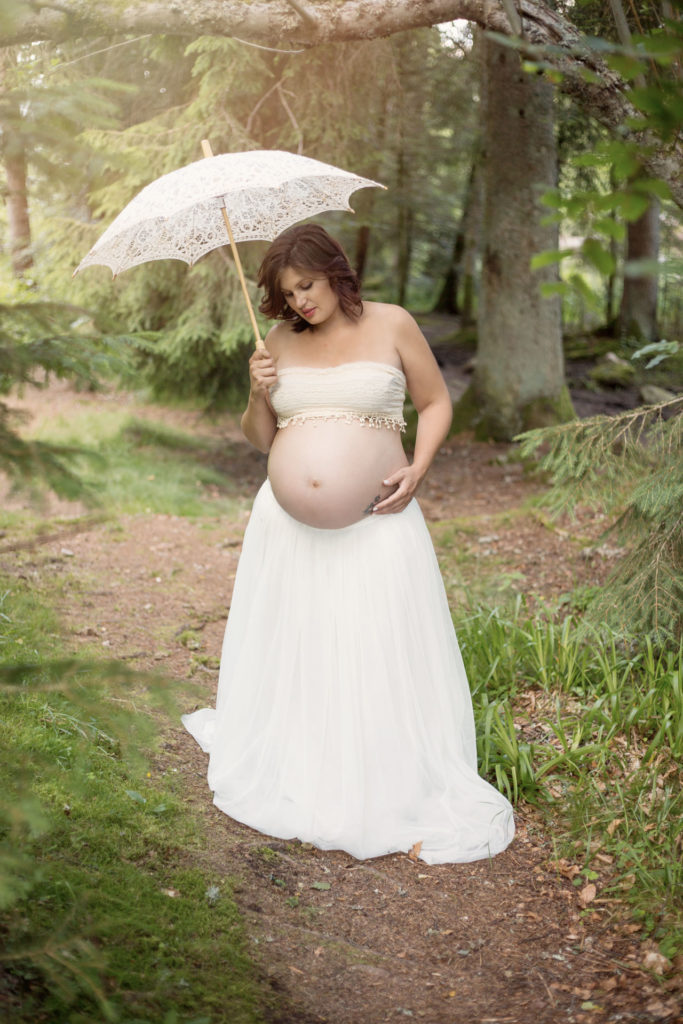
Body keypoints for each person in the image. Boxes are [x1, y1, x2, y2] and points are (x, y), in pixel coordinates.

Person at [182, 224, 514, 864]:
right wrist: (257, 393)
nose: (301, 301)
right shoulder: (277, 341)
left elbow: (437, 400)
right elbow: (260, 437)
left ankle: (375, 767)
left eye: (307, 285)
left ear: (335, 270)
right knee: (302, 637)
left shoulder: (392, 324)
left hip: (377, 519)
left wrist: (418, 466)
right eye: (288, 293)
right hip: (287, 532)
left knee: (372, 636)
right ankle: (304, 755)